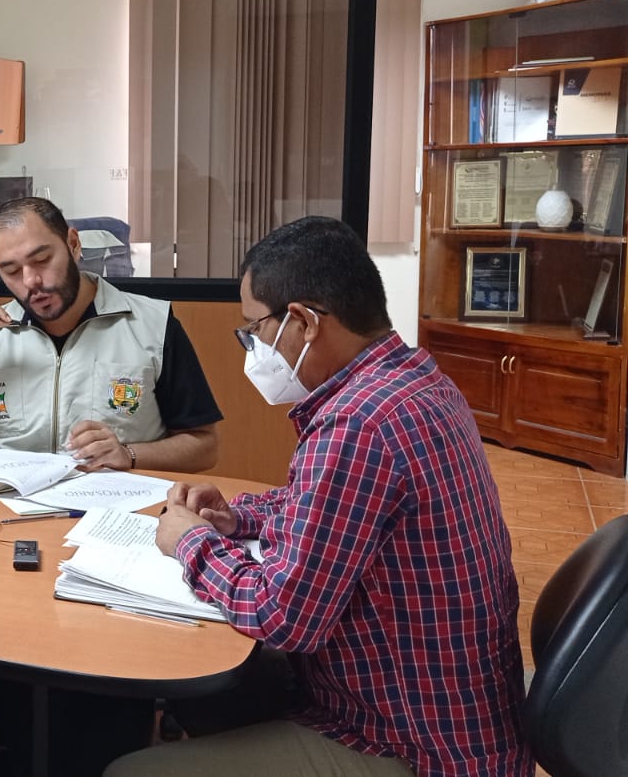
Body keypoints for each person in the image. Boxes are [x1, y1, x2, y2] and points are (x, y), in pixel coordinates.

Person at [107, 217, 531, 777]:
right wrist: (236, 518)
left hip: (408, 741)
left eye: (255, 329)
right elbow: (329, 508)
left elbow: (281, 614)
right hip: (451, 710)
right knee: (208, 688)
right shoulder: (413, 380)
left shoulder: (356, 425)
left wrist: (191, 542)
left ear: (304, 322)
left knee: (130, 771)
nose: (253, 348)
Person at [0, 197, 221, 471]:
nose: (31, 281)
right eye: (12, 271)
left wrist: (129, 454)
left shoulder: (152, 324)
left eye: (42, 260)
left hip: (112, 504)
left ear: (73, 244)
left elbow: (204, 446)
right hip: (10, 506)